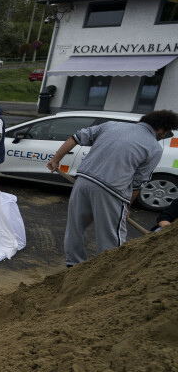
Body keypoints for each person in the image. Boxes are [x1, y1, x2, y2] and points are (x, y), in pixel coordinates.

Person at [47, 110, 178, 266]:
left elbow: (76, 137)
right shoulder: (154, 148)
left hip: (83, 182)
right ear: (160, 129)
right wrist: (127, 207)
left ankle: (73, 263)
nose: (164, 136)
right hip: (111, 191)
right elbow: (138, 183)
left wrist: (56, 160)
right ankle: (107, 270)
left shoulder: (112, 125)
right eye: (167, 132)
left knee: (75, 227)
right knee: (110, 236)